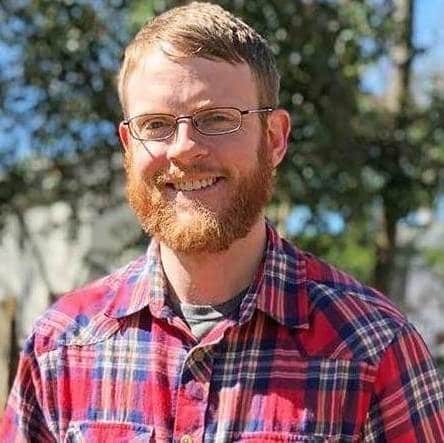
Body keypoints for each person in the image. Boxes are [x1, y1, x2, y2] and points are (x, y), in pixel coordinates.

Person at [1, 2, 444, 441]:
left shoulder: (372, 347)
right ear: (128, 146)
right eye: (155, 125)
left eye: (216, 119)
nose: (183, 148)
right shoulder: (61, 346)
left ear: (274, 138)